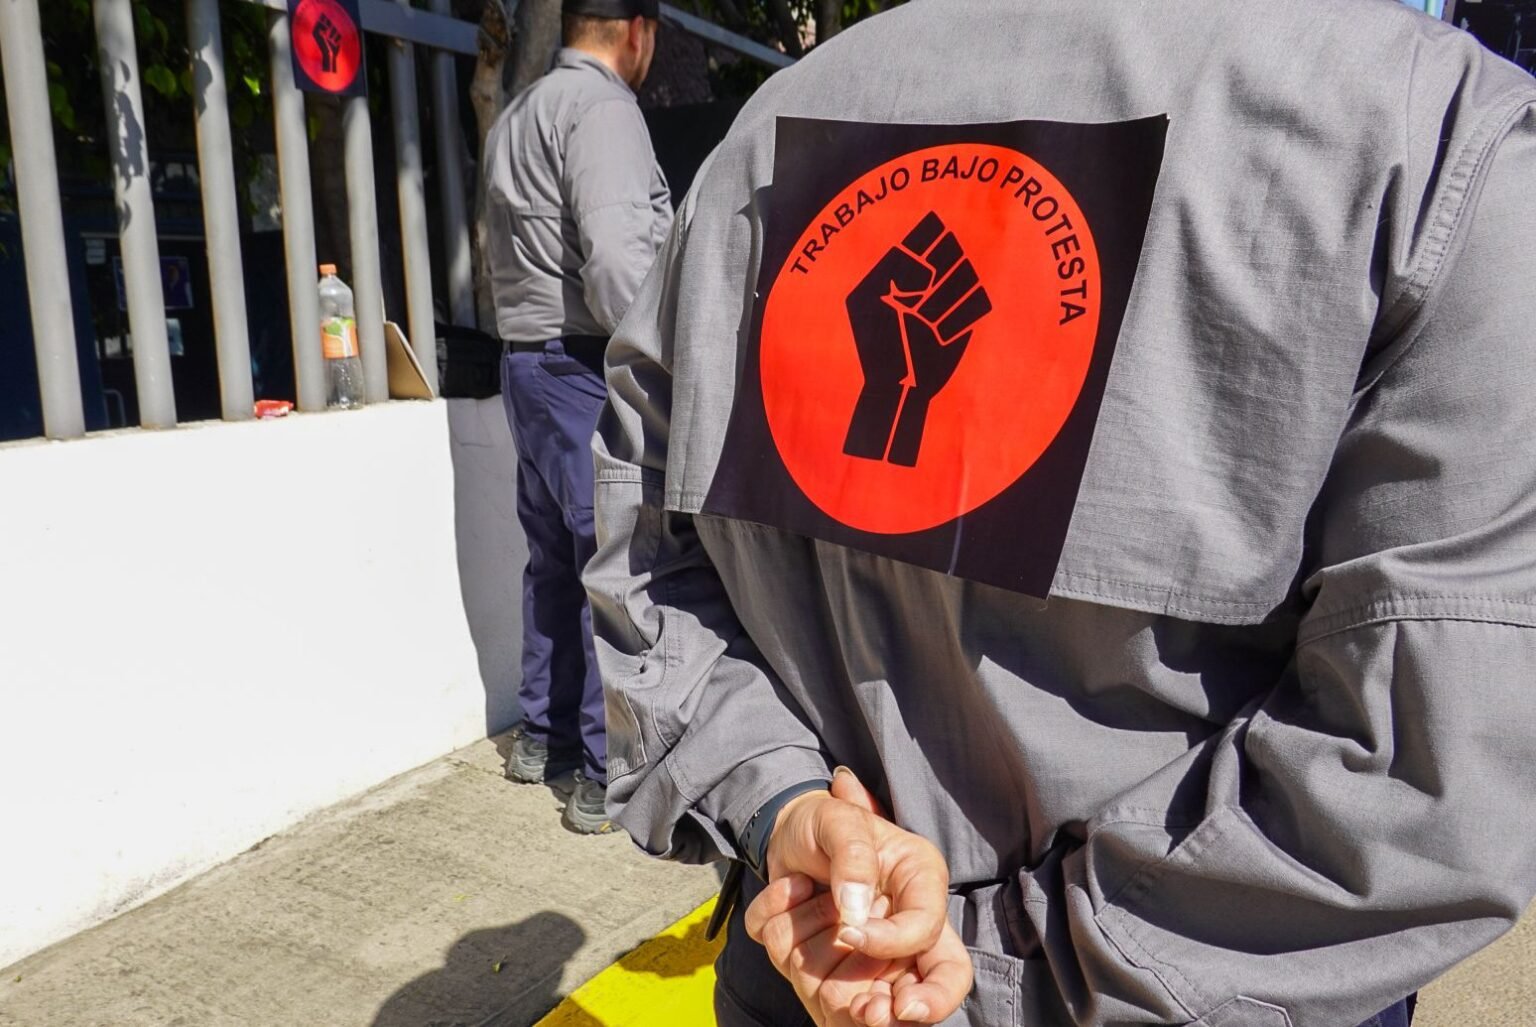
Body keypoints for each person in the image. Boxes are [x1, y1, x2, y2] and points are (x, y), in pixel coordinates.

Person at [585, 0, 1536, 1022]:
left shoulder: (766, 132)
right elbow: (1425, 788)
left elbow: (646, 565)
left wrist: (786, 810)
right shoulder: (1438, 142)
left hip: (812, 967)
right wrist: (974, 970)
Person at [483, 0, 672, 834]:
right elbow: (619, 262)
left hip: (524, 362)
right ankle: (603, 770)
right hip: (582, 365)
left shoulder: (519, 112)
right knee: (612, 566)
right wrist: (664, 365)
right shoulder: (601, 110)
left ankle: (544, 735)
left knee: (554, 560)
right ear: (637, 30)